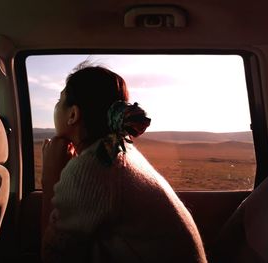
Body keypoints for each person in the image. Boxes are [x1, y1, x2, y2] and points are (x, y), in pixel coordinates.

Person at [41, 62, 207, 263]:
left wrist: (50, 176)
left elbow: (52, 256)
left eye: (59, 101)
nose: (56, 107)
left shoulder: (95, 166)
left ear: (73, 114)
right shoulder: (117, 151)